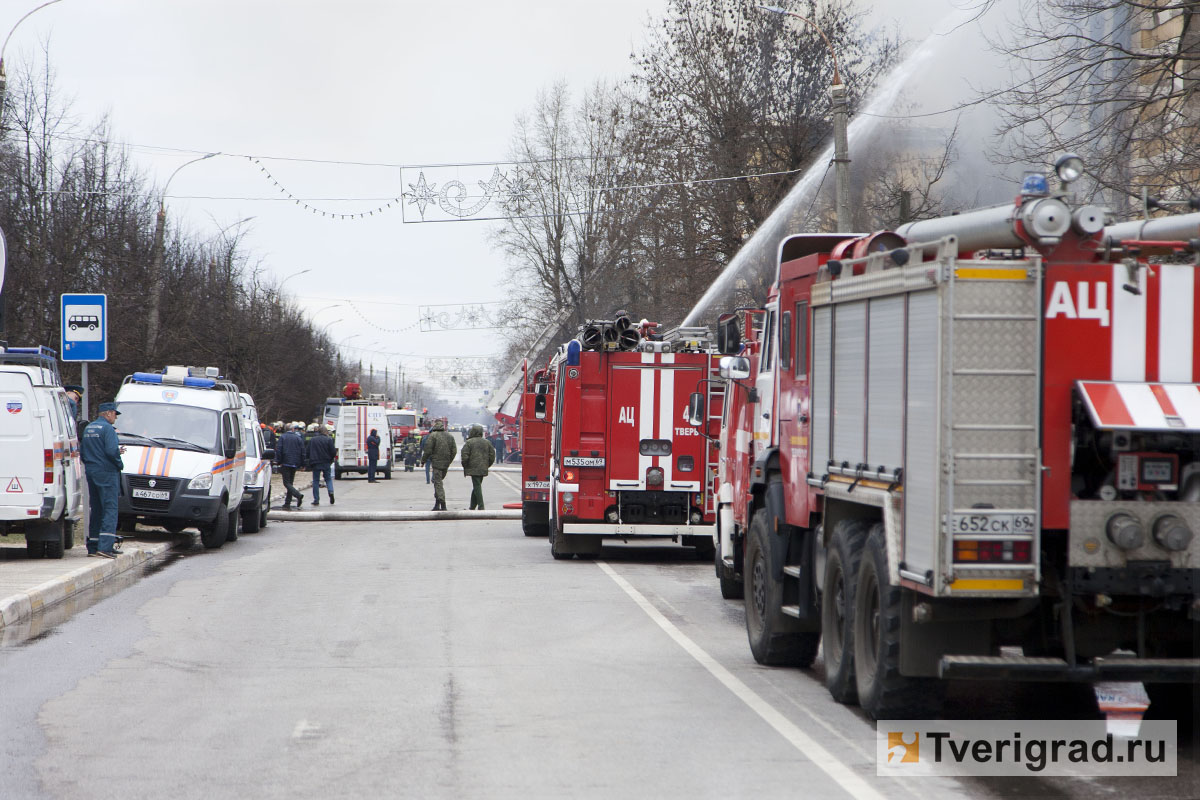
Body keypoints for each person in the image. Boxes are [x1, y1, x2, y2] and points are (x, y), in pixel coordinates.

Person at [80, 402, 124, 558]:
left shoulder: (88, 428)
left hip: (92, 471)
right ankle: (105, 547)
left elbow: (84, 451)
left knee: (97, 509)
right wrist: (120, 463)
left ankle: (93, 546)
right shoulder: (108, 429)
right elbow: (112, 451)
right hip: (107, 472)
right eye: (114, 415)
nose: (115, 418)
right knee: (110, 508)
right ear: (108, 413)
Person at [421, 419, 457, 511]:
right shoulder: (449, 436)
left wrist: (423, 461)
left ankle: (443, 504)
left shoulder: (433, 436)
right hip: (445, 464)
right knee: (437, 482)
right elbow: (454, 451)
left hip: (437, 464)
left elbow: (428, 450)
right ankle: (437, 504)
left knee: (438, 484)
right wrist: (449, 461)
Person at [459, 424, 496, 510]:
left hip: (473, 467)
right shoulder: (487, 442)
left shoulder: (469, 442)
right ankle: (472, 506)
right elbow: (492, 455)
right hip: (483, 467)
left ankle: (481, 505)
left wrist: (465, 465)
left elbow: (464, 456)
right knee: (476, 486)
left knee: (477, 486)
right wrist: (487, 465)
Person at [276, 422, 306, 509]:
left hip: (285, 462)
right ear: (293, 429)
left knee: (286, 483)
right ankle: (287, 502)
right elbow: (302, 451)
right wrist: (303, 463)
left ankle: (298, 495)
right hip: (295, 463)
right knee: (290, 483)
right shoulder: (298, 438)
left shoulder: (283, 437)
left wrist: (278, 461)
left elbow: (279, 450)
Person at [307, 424, 337, 505]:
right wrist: (330, 459)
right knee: (328, 479)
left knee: (316, 481)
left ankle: (316, 499)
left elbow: (308, 451)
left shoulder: (313, 440)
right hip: (326, 462)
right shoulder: (328, 439)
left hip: (315, 462)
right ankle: (331, 492)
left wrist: (309, 460)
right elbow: (333, 452)